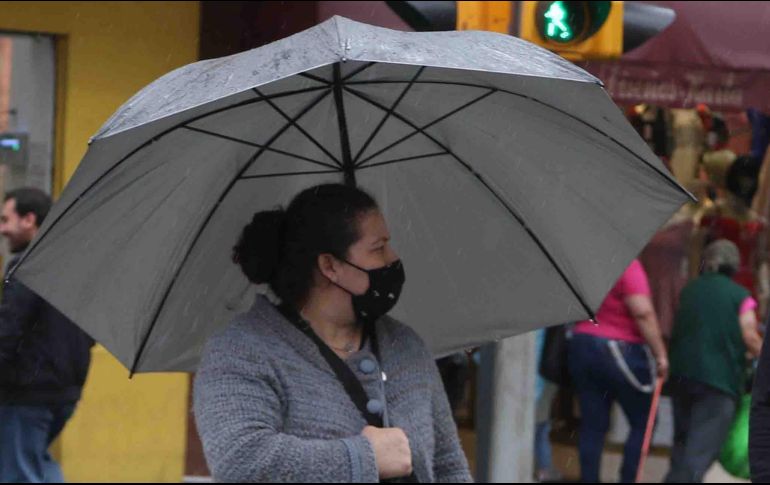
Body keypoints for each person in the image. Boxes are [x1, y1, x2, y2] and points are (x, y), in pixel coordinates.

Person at [193, 183, 472, 483]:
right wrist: (363, 457)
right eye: (378, 248)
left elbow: (449, 467)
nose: (392, 259)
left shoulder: (405, 346)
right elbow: (242, 461)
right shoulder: (243, 351)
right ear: (330, 266)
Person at [0, 188, 94, 483]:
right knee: (39, 462)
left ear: (29, 220)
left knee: (20, 472)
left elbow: (8, 328)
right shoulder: (76, 266)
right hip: (65, 390)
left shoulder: (29, 266)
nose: (2, 229)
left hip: (26, 391)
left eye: (6, 219)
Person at [667, 239, 763, 483]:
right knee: (699, 453)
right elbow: (750, 337)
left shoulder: (690, 289)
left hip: (681, 376)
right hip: (719, 382)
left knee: (682, 446)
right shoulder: (741, 297)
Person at [568, 259, 668, 483]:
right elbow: (643, 312)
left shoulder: (586, 265)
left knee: (592, 425)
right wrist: (660, 354)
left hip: (582, 343)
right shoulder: (628, 265)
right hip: (618, 348)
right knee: (644, 421)